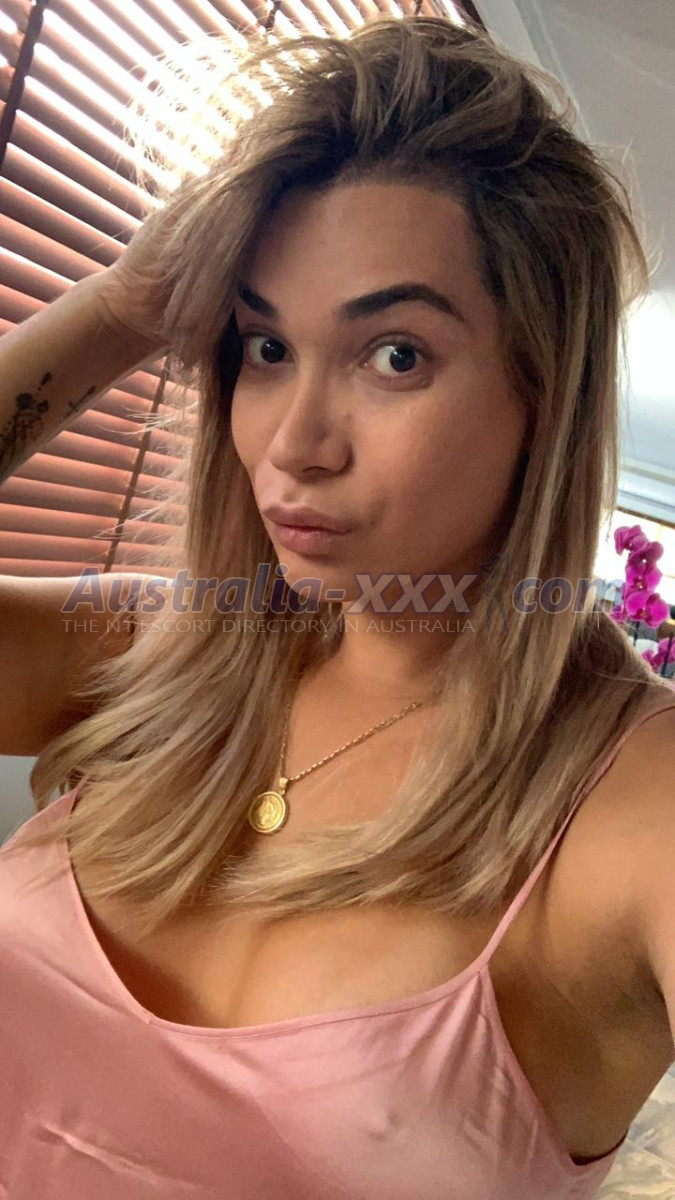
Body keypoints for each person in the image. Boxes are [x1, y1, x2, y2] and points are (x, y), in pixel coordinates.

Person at [0, 15, 673, 1200]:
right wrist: (117, 308)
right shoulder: (163, 648)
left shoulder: (629, 797)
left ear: (544, 394)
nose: (294, 446)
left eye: (395, 355)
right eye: (265, 346)